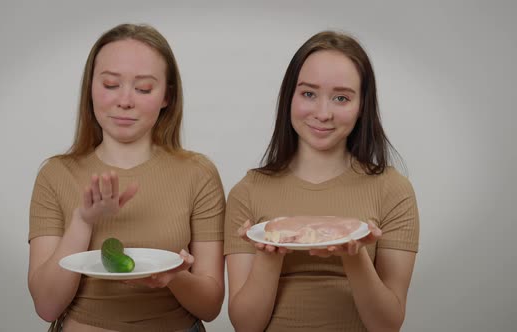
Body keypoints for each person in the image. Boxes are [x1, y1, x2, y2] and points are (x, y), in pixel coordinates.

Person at [28, 24, 225, 332]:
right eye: (109, 84)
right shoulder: (56, 174)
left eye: (144, 89)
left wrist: (176, 276)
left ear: (166, 97)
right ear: (90, 88)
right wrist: (83, 220)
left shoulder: (198, 174)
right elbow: (46, 306)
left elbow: (211, 307)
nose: (125, 101)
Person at [224, 31, 419, 332]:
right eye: (308, 94)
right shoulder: (247, 192)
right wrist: (268, 255)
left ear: (362, 106)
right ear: (289, 96)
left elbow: (387, 325)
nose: (323, 113)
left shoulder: (393, 191)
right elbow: (246, 326)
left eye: (341, 97)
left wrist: (354, 258)